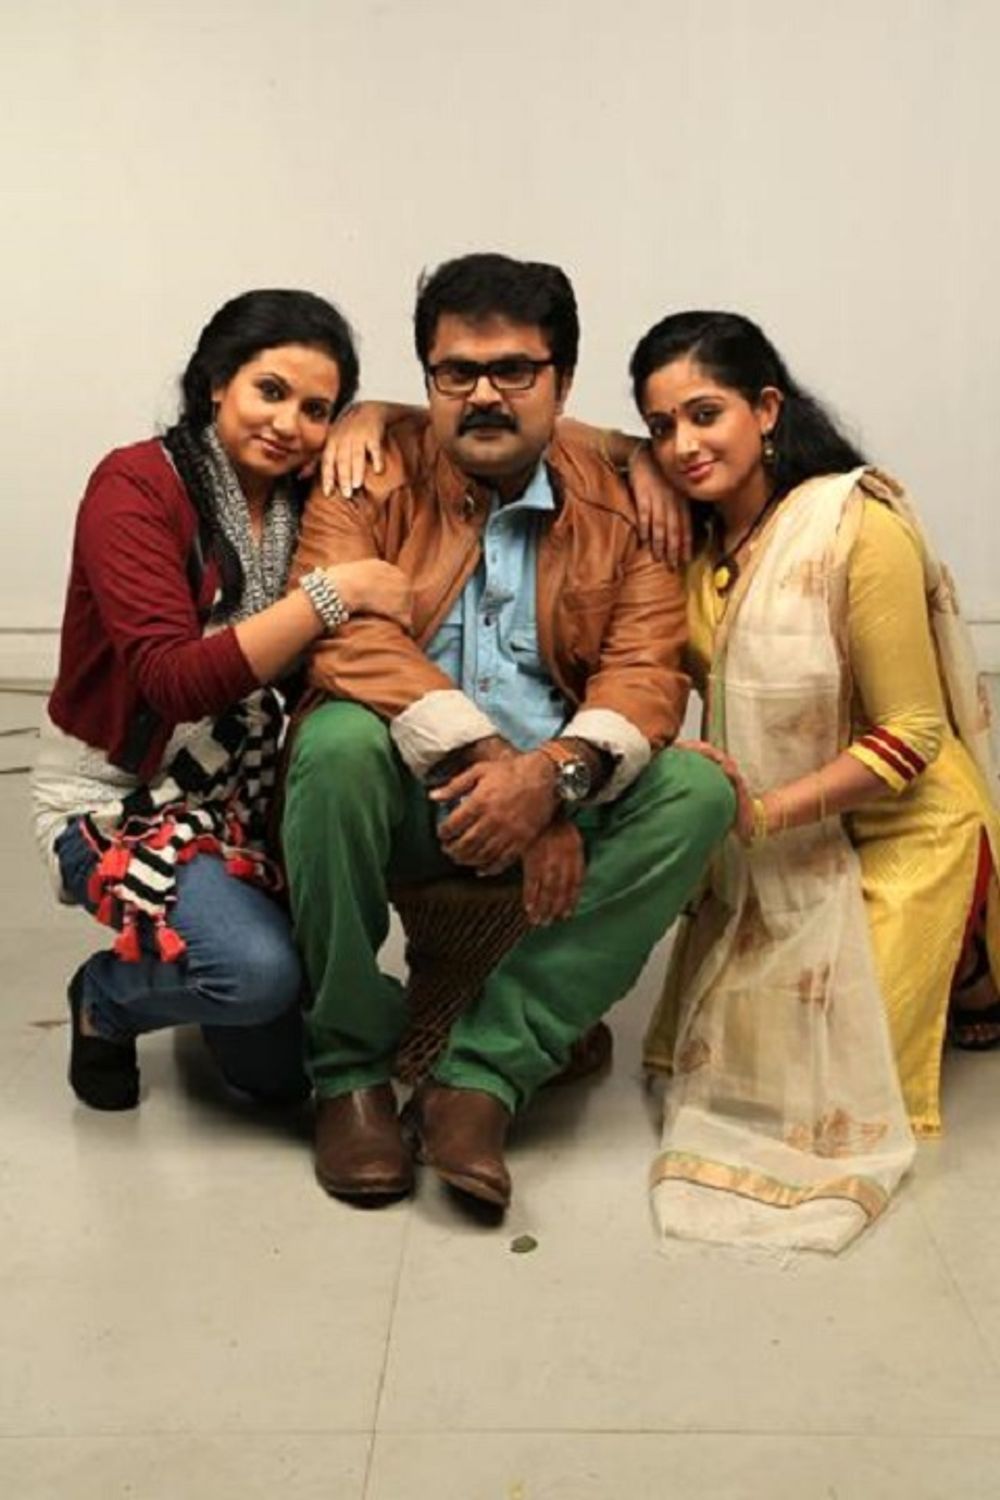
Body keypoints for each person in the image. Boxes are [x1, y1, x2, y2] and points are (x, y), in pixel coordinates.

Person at [281, 252, 735, 1210]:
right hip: (407, 796)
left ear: (561, 385)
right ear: (428, 380)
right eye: (457, 372)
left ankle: (482, 1078)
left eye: (514, 371)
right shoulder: (362, 474)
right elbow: (344, 641)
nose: (484, 394)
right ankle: (349, 1073)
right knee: (334, 742)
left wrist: (557, 778)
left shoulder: (627, 499)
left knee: (698, 790)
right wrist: (502, 769)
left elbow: (646, 674)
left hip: (560, 788)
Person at [625, 310, 1000, 1251]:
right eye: (660, 427)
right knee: (729, 1072)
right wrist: (632, 462)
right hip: (772, 838)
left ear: (766, 409)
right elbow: (566, 441)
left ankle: (974, 964)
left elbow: (913, 734)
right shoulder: (696, 544)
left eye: (704, 414)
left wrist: (761, 813)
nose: (682, 446)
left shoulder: (854, 525)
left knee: (829, 1090)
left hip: (904, 825)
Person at [32, 289, 410, 1112]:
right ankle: (105, 999)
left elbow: (443, 431)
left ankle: (215, 957)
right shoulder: (135, 484)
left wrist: (374, 416)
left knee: (274, 1079)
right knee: (255, 976)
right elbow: (173, 681)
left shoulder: (300, 497)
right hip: (115, 799)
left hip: (236, 794)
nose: (288, 424)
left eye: (317, 410)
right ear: (215, 382)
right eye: (269, 391)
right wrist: (331, 596)